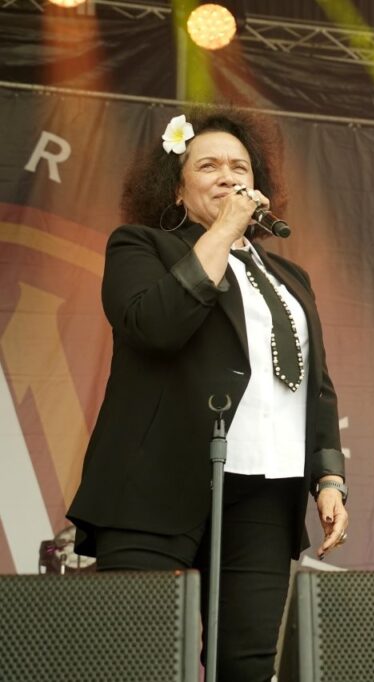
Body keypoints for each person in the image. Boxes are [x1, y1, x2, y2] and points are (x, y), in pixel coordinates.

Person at [66, 107, 348, 681]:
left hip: (264, 492)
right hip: (155, 484)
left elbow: (315, 386)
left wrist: (328, 478)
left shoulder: (291, 279)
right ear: (176, 188)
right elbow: (154, 326)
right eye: (209, 166)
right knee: (138, 659)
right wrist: (222, 231)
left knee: (248, 663)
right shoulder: (141, 247)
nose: (227, 176)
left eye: (239, 167)